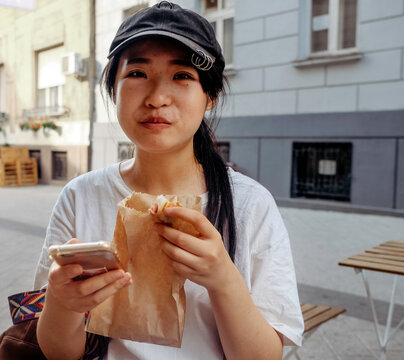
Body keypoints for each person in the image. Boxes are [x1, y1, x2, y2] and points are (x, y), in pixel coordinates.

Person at [34, 2, 304, 359]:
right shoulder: (80, 196)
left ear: (210, 96)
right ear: (114, 87)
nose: (157, 98)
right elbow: (58, 353)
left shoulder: (251, 205)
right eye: (137, 74)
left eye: (182, 76)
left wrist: (223, 278)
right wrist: (61, 304)